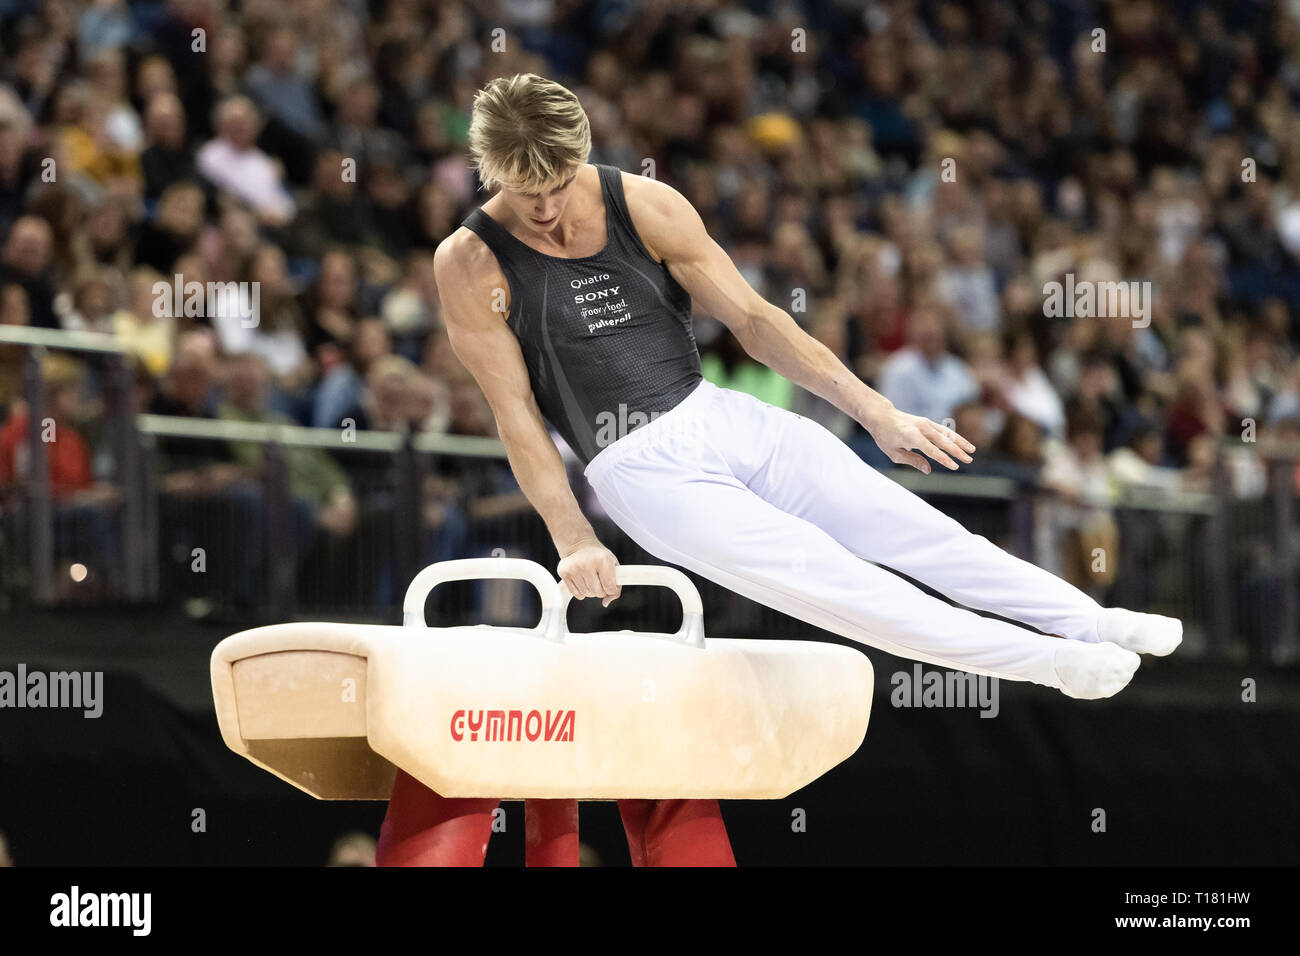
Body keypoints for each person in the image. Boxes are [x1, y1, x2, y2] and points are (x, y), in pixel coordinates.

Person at [386, 73, 1184, 867]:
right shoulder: (469, 263)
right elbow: (517, 416)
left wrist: (877, 411)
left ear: (582, 157)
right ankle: (1050, 665)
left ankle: (1092, 620)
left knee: (919, 531)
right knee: (845, 587)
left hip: (721, 413)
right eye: (525, 194)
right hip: (640, 474)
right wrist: (572, 537)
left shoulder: (645, 203)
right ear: (488, 171)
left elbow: (757, 322)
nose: (547, 210)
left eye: (557, 186)